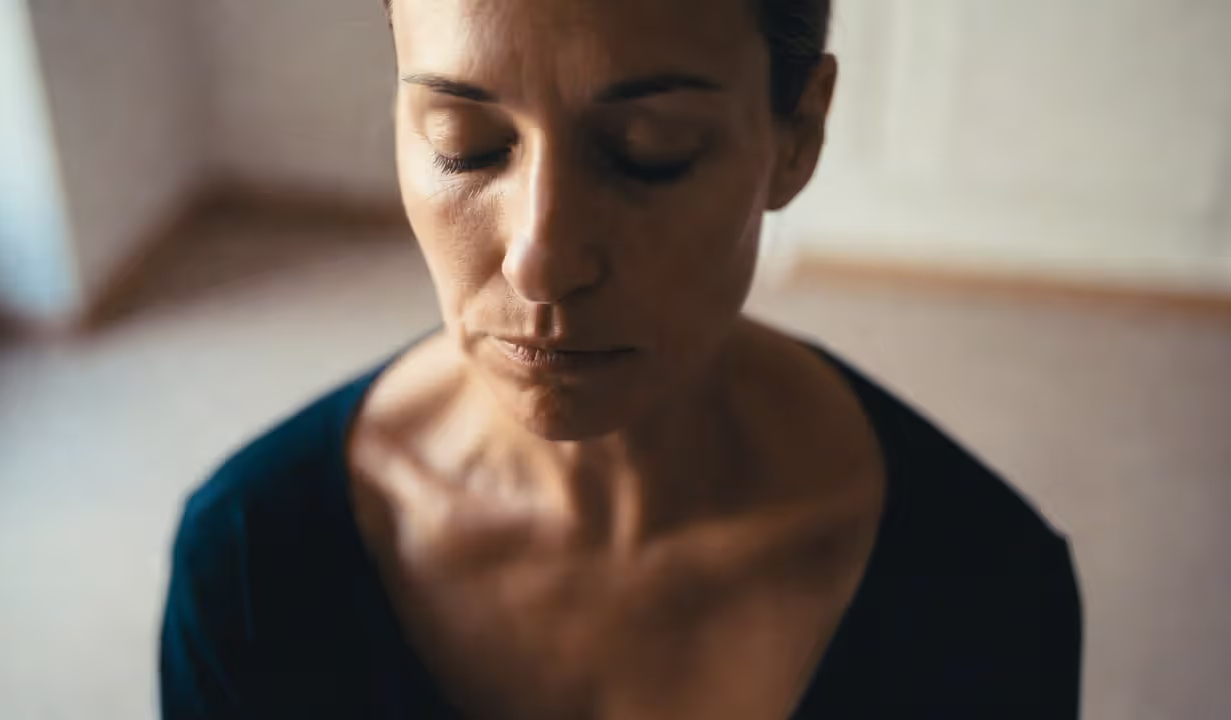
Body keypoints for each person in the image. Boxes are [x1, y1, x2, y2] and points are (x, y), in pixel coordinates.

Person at [158, 0, 1083, 717]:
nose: (541, 259)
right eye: (465, 144)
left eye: (651, 153)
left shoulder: (985, 589)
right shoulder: (254, 566)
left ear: (795, 135)